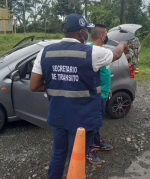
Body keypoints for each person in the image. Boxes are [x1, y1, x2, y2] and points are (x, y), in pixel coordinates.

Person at [30, 13, 127, 179]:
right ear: (82, 32)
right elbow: (116, 54)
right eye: (86, 30)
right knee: (77, 156)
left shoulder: (45, 52)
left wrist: (60, 82)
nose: (87, 33)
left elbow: (34, 85)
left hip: (58, 114)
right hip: (83, 118)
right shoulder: (93, 52)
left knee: (58, 153)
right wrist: (123, 43)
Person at [87, 24, 113, 165]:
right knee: (92, 121)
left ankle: (97, 141)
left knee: (98, 120)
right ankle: (89, 149)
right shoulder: (91, 50)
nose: (107, 36)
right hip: (95, 94)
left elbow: (103, 73)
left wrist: (107, 88)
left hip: (103, 92)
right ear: (102, 36)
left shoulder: (102, 51)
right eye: (106, 33)